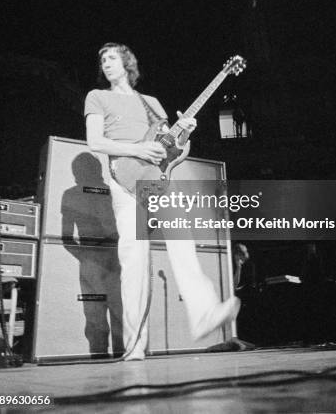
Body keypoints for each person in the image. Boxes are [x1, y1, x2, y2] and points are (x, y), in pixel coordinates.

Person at [85, 42, 240, 360]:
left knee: (182, 241)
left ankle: (204, 314)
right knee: (135, 262)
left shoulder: (151, 103)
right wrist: (137, 149)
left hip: (154, 179)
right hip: (124, 177)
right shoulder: (97, 97)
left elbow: (172, 149)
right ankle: (134, 347)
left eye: (112, 57)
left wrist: (185, 134)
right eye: (102, 60)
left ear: (127, 62)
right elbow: (95, 141)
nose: (106, 63)